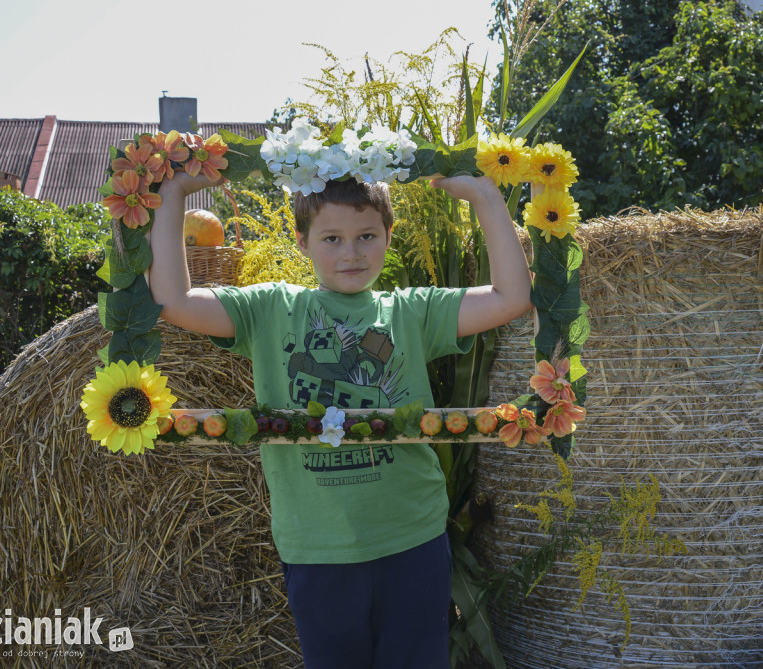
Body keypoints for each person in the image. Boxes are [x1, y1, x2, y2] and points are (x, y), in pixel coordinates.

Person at [148, 169, 531, 668]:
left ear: (388, 238)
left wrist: (485, 197)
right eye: (332, 238)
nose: (351, 253)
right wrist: (174, 194)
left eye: (366, 236)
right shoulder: (270, 309)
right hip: (317, 548)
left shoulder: (410, 313)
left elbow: (512, 297)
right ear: (303, 241)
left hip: (412, 540)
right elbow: (173, 302)